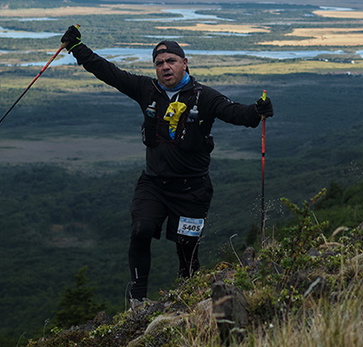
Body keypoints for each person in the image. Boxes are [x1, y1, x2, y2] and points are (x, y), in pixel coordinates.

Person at [59, 25, 273, 306]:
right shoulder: (146, 90)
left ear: (185, 63)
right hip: (154, 184)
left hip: (192, 190)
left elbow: (235, 113)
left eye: (171, 61)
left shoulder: (204, 96)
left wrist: (257, 111)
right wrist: (77, 49)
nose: (165, 67)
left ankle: (187, 301)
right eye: (159, 63)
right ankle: (137, 302)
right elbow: (109, 72)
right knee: (141, 230)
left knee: (187, 252)